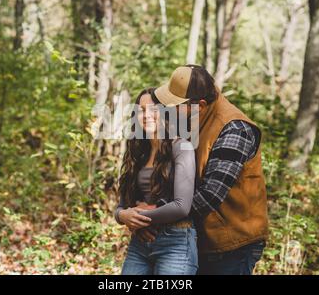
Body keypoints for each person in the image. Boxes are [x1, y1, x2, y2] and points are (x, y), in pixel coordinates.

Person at [136, 65, 269, 275]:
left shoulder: (234, 129)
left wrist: (153, 217)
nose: (168, 108)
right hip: (194, 236)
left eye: (175, 104)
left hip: (232, 244)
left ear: (201, 105)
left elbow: (210, 194)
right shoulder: (190, 118)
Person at [115, 88, 198, 275]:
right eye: (141, 110)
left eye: (153, 109)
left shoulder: (182, 147)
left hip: (175, 242)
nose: (147, 115)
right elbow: (121, 207)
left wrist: (141, 219)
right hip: (141, 242)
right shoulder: (136, 153)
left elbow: (182, 206)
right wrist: (123, 217)